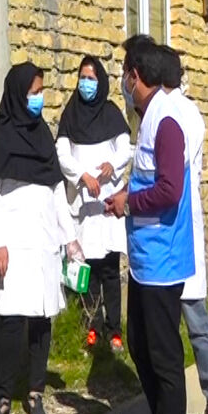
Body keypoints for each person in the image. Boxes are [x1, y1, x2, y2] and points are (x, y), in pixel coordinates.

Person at [105, 38, 195, 414]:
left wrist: (127, 201)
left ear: (136, 76)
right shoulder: (150, 118)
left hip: (163, 260)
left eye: (125, 73)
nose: (123, 82)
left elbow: (169, 190)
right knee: (140, 345)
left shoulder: (167, 122)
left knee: (163, 355)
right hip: (144, 260)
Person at [0, 63, 81, 414]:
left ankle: (35, 391)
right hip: (14, 244)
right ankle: (4, 394)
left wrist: (70, 239)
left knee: (41, 319)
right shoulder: (2, 134)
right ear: (19, 93)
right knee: (10, 320)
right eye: (34, 92)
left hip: (43, 244)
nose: (39, 99)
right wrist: (0, 243)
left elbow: (56, 192)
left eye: (41, 92)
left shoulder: (42, 136)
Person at [152, 40, 208, 414]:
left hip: (177, 230)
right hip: (166, 233)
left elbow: (168, 175)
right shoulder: (172, 111)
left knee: (193, 321)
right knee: (170, 326)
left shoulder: (179, 115)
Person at [55, 56, 131, 351]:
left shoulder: (111, 113)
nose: (85, 83)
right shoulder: (71, 114)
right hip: (83, 203)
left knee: (110, 268)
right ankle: (92, 327)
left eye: (91, 78)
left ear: (100, 81)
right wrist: (80, 175)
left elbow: (125, 147)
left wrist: (112, 164)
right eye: (82, 77)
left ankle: (114, 329)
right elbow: (62, 153)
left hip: (106, 203)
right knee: (87, 269)